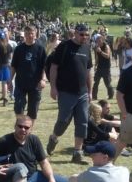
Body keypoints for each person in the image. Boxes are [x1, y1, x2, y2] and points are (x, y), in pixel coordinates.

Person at [0, 115, 72, 182]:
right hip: (18, 181)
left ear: (31, 129)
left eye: (26, 127)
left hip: (35, 176)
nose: (23, 129)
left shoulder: (34, 140)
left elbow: (44, 162)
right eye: (20, 126)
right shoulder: (2, 142)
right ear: (15, 126)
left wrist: (51, 178)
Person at [46, 24, 93, 164]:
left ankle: (77, 153)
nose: (84, 37)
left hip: (82, 93)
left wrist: (90, 91)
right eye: (82, 34)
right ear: (75, 34)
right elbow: (54, 67)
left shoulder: (87, 48)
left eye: (86, 35)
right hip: (66, 91)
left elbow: (89, 71)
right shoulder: (64, 46)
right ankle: (54, 138)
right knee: (63, 121)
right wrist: (53, 87)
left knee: (83, 122)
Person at [10, 24, 47, 125]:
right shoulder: (19, 49)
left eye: (31, 33)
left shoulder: (40, 49)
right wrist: (10, 80)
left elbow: (45, 66)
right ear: (24, 35)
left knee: (33, 110)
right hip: (20, 83)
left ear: (35, 34)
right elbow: (13, 66)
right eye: (27, 33)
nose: (29, 36)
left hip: (35, 84)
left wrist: (43, 79)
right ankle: (20, 128)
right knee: (18, 108)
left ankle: (29, 130)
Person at [91, 34, 113, 100]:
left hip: (106, 68)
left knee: (107, 83)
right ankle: (94, 96)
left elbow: (107, 56)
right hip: (99, 67)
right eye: (97, 41)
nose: (98, 42)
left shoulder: (106, 46)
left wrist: (100, 51)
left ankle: (110, 95)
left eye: (99, 41)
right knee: (96, 83)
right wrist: (95, 65)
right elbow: (97, 57)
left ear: (102, 40)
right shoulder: (97, 47)